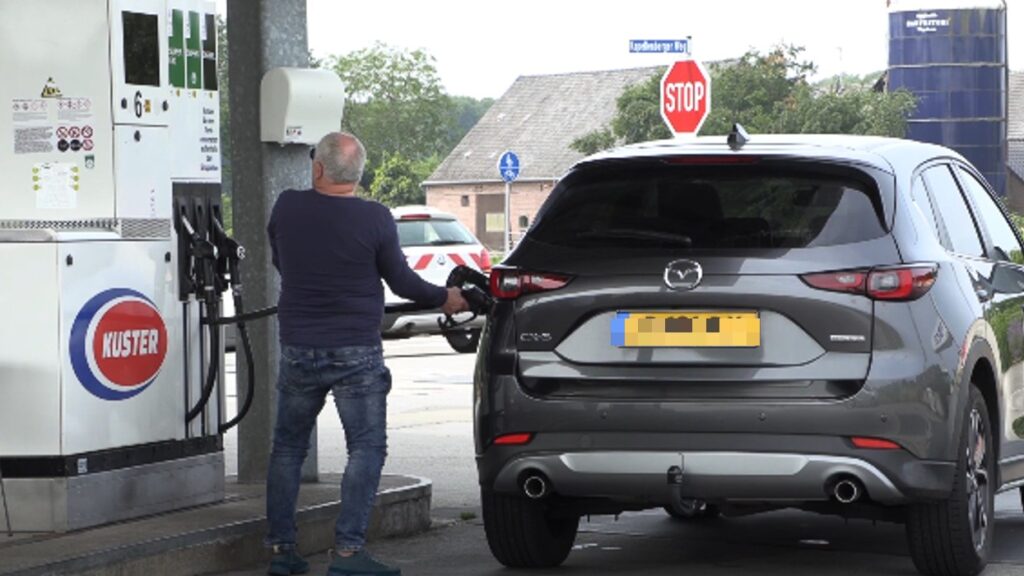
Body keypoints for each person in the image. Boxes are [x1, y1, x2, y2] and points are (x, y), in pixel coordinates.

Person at [264, 132, 468, 576]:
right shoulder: (375, 217)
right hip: (356, 349)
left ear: (318, 168)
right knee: (366, 447)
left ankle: (282, 553)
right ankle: (349, 555)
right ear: (358, 175)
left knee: (286, 450)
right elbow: (401, 281)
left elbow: (283, 259)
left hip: (299, 346)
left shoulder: (287, 207)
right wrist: (445, 298)